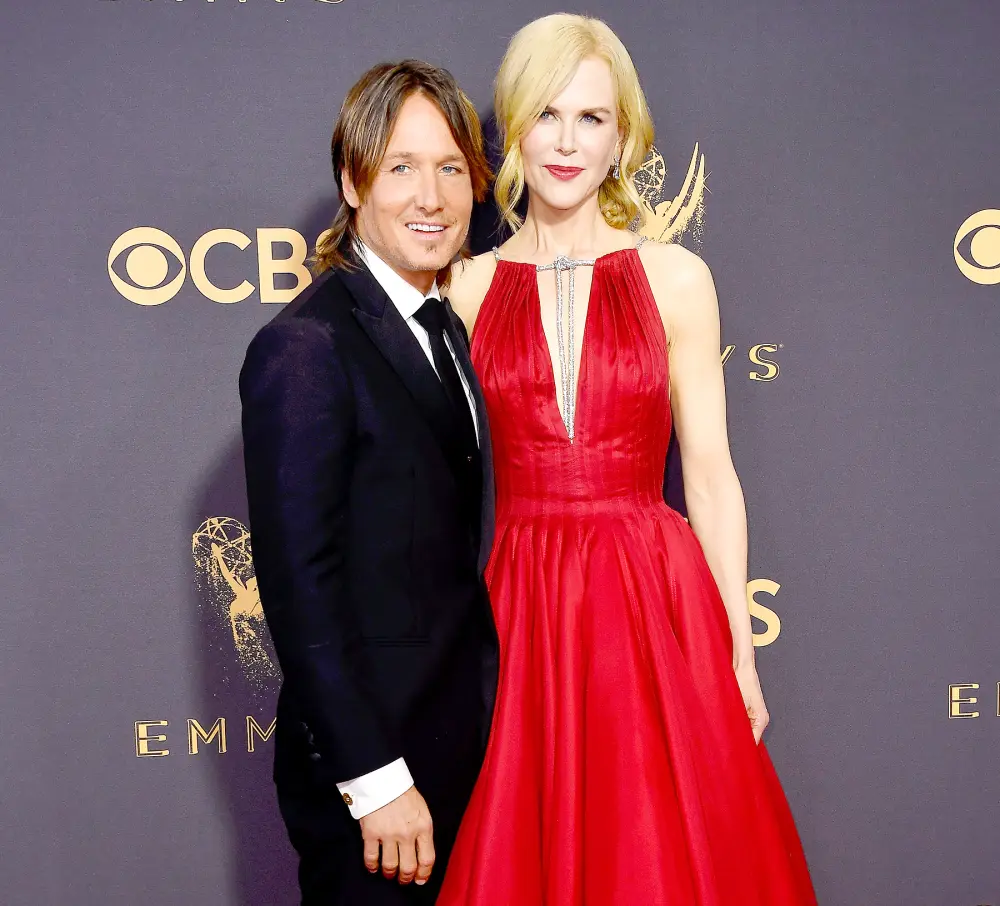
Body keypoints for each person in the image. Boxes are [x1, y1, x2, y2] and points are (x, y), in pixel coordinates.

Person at [438, 15, 818, 905]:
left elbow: (714, 479)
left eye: (592, 119)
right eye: (546, 115)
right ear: (513, 127)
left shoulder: (676, 279)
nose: (567, 142)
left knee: (658, 852)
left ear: (623, 137)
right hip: (517, 602)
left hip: (653, 600)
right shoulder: (462, 285)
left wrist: (739, 650)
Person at [239, 60, 497, 905]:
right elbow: (299, 586)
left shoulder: (444, 327)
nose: (431, 196)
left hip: (462, 756)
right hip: (378, 786)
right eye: (401, 167)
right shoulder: (308, 347)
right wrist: (376, 782)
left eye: (451, 168)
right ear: (353, 181)